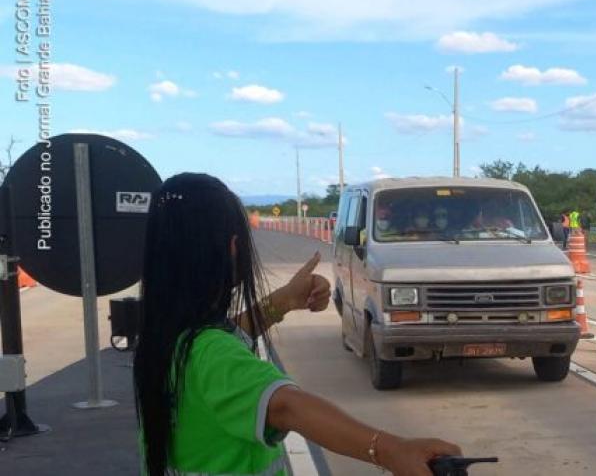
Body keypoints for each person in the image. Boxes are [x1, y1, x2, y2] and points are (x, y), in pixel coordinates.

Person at [134, 173, 460, 476]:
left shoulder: (166, 340)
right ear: (232, 248)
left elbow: (223, 342)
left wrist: (285, 300)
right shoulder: (213, 353)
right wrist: (390, 450)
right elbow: (287, 407)